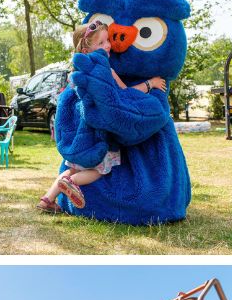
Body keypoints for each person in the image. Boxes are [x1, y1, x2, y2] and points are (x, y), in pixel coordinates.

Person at [38, 19, 168, 212]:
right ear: (85, 50)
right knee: (99, 170)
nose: (108, 46)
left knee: (73, 167)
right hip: (98, 134)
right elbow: (125, 94)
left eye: (107, 40)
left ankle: (47, 199)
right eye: (101, 43)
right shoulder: (106, 71)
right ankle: (70, 183)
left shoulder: (75, 72)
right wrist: (151, 83)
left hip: (79, 137)